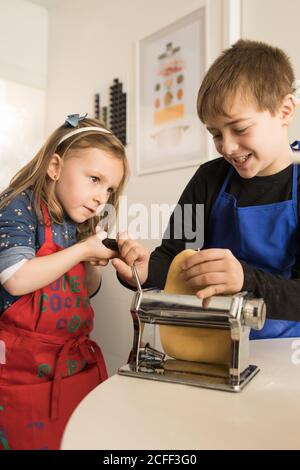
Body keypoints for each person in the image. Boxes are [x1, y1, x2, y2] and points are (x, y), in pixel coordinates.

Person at [119, 39, 300, 339]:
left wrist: (245, 278)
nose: (227, 147)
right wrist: (144, 271)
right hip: (214, 341)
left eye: (240, 129)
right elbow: (174, 259)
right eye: (215, 134)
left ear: (285, 111)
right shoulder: (209, 179)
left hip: (286, 351)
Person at [0, 114, 149, 450]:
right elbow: (16, 279)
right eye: (94, 179)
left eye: (109, 188)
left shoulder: (76, 219)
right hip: (19, 375)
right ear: (55, 167)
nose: (101, 197)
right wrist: (82, 250)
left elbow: (87, 292)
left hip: (71, 369)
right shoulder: (18, 205)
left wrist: (93, 263)